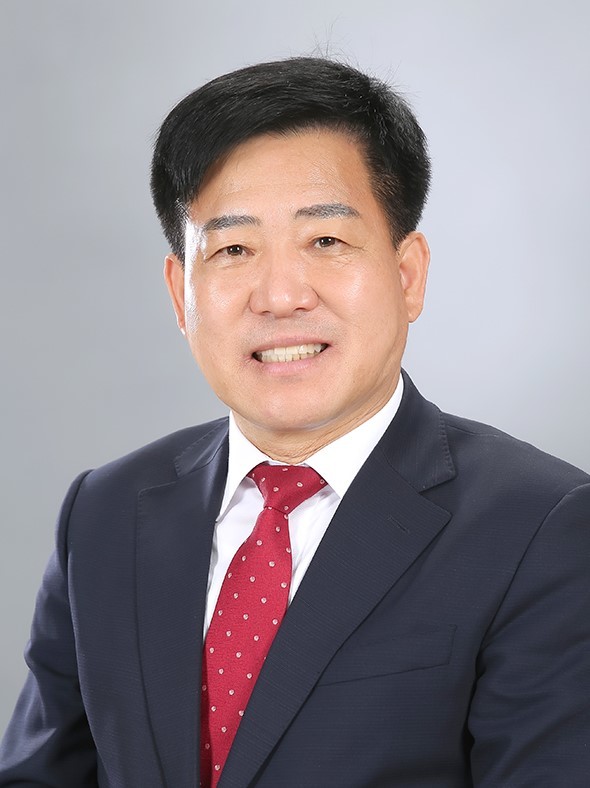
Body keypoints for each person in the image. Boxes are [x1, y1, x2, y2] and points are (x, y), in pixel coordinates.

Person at [1, 56, 589, 788]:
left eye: (326, 242)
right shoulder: (104, 513)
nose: (280, 296)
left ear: (408, 275)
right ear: (181, 294)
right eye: (234, 250)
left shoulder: (542, 527)